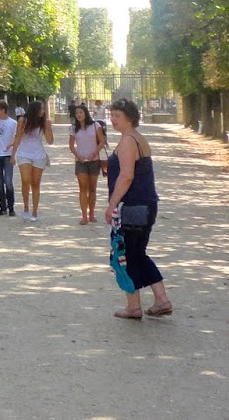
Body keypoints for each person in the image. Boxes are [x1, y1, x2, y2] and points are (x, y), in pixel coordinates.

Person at [105, 98, 171, 319]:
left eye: (118, 116)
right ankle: (161, 300)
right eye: (112, 115)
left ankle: (134, 307)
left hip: (133, 206)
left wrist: (112, 204)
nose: (113, 120)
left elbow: (126, 176)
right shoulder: (137, 138)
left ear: (130, 118)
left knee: (126, 256)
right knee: (137, 254)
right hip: (145, 205)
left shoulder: (127, 141)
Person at [13, 101, 54, 221]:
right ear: (34, 110)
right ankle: (26, 207)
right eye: (41, 109)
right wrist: (12, 154)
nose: (43, 111)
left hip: (38, 154)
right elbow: (18, 137)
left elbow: (50, 141)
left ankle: (35, 211)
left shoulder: (44, 122)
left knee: (36, 183)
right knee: (25, 180)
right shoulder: (22, 121)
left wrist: (49, 129)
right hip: (24, 153)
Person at [69, 103, 108, 224]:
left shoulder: (95, 126)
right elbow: (71, 145)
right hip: (80, 162)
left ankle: (92, 213)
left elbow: (102, 141)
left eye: (81, 112)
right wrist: (78, 156)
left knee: (92, 188)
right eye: (76, 113)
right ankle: (84, 215)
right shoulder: (73, 128)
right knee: (82, 188)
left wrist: (94, 153)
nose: (79, 115)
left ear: (85, 113)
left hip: (94, 161)